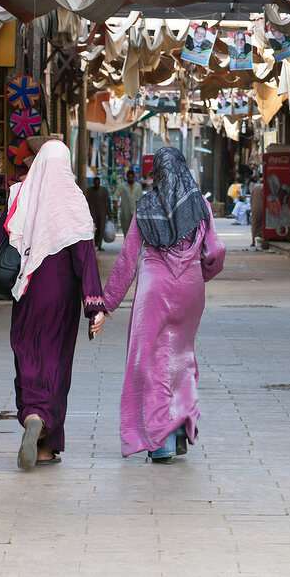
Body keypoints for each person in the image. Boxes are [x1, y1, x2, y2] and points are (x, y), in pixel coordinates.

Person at [102, 146, 226, 463]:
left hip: (153, 291)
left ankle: (162, 442)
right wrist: (202, 274)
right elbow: (215, 250)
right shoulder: (201, 205)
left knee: (153, 363)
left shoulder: (146, 207)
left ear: (156, 174)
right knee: (181, 357)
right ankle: (181, 424)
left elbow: (128, 261)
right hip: (190, 290)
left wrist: (105, 303)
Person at [0, 140, 107, 470]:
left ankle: (32, 415)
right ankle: (45, 440)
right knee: (55, 362)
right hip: (61, 297)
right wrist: (94, 306)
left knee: (28, 354)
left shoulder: (21, 194)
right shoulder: (73, 202)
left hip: (27, 293)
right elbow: (85, 258)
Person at [85, 176, 112, 250]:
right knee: (93, 229)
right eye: (95, 183)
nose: (97, 184)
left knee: (101, 229)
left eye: (98, 182)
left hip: (102, 213)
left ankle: (99, 245)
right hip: (92, 213)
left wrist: (109, 212)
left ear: (100, 182)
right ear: (93, 183)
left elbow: (107, 201)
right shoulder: (89, 190)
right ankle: (93, 245)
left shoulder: (103, 190)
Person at [116, 169, 143, 236]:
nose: (130, 179)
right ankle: (126, 244)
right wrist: (115, 203)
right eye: (129, 177)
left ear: (134, 177)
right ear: (127, 177)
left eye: (132, 177)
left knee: (136, 230)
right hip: (125, 211)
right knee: (126, 229)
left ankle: (134, 245)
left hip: (136, 211)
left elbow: (141, 199)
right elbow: (116, 195)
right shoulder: (122, 186)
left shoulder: (138, 187)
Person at [250, 175, 265, 248]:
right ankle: (264, 238)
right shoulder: (265, 187)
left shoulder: (255, 187)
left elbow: (251, 199)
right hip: (264, 208)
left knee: (255, 224)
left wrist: (252, 207)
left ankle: (253, 241)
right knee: (263, 223)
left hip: (255, 208)